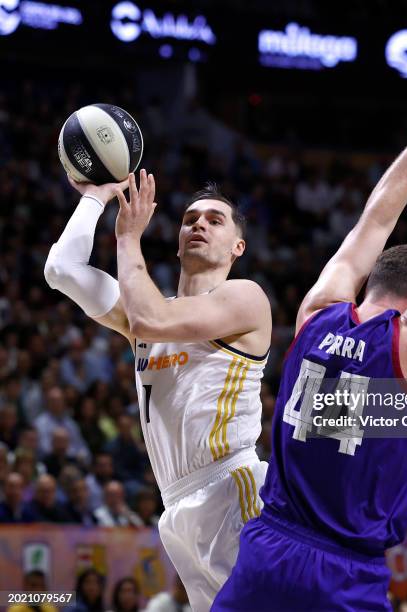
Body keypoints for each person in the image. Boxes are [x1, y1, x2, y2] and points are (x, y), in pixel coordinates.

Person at [213, 55, 407, 611]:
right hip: (342, 573)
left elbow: (373, 221)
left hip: (267, 550)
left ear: (372, 279)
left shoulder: (315, 312)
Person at [44, 167, 271, 610]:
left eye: (214, 219)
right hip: (176, 506)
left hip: (231, 486)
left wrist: (127, 240)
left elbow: (150, 320)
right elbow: (61, 269)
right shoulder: (151, 314)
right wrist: (97, 197)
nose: (199, 224)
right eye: (189, 219)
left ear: (237, 248)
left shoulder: (245, 297)